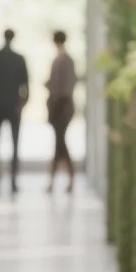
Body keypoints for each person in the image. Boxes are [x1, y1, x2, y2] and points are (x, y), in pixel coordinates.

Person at [0, 29, 29, 192]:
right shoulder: (19, 59)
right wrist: (22, 103)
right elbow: (26, 86)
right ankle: (13, 180)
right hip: (13, 106)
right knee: (15, 143)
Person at [44, 31, 78, 192]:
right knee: (60, 143)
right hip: (65, 105)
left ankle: (62, 178)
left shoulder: (61, 60)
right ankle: (60, 179)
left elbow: (59, 88)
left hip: (61, 107)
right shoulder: (67, 60)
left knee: (60, 143)